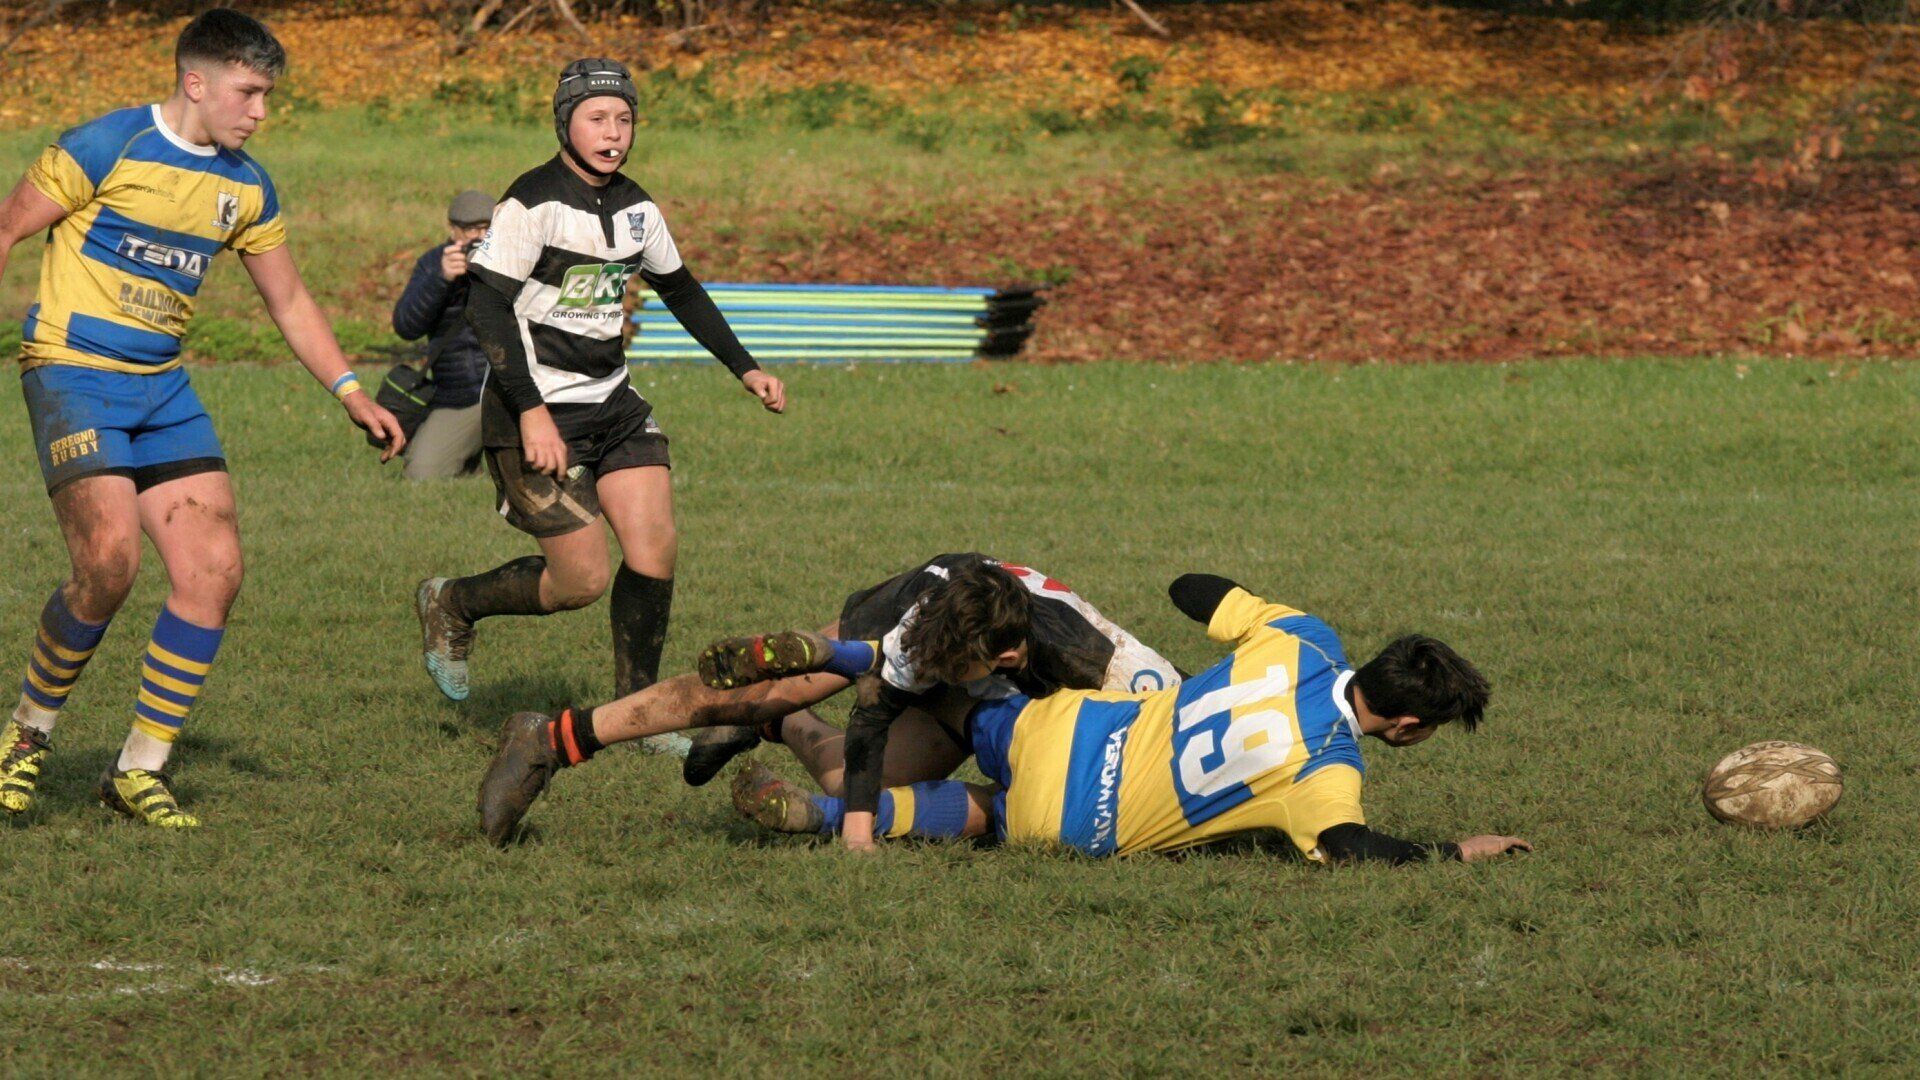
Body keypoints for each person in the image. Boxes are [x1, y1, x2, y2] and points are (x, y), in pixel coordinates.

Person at [0, 9, 405, 827]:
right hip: (74, 375)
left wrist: (350, 389)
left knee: (213, 573)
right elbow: (6, 228)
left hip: (163, 391)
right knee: (108, 568)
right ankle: (25, 738)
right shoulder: (102, 146)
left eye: (265, 96)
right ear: (198, 81)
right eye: (249, 93)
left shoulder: (246, 185)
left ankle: (137, 771)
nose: (259, 112)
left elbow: (287, 297)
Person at [414, 59, 785, 744]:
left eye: (623, 119)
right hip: (535, 413)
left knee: (654, 551)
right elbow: (486, 306)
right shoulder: (531, 202)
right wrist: (530, 411)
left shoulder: (639, 208)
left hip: (614, 406)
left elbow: (683, 291)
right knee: (579, 581)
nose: (613, 132)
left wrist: (746, 368)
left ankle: (638, 716)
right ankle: (454, 602)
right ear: (565, 122)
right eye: (596, 118)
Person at [731, 574, 1533, 865]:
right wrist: (1458, 850)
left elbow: (1194, 590)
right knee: (987, 817)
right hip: (1082, 823)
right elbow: (1350, 847)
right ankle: (824, 815)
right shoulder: (1328, 773)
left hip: (1064, 728)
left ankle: (844, 660)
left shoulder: (1304, 640)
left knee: (971, 699)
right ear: (1403, 726)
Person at [472, 553, 1180, 846]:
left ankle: (787, 723)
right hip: (928, 613)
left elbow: (1167, 741)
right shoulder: (925, 629)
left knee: (847, 779)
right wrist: (857, 837)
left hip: (998, 707)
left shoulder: (1121, 676)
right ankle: (554, 737)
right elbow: (874, 714)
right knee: (750, 693)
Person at [390, 189, 494, 480]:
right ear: (452, 230)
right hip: (460, 394)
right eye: (472, 229)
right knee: (422, 473)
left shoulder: (516, 258)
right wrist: (442, 279)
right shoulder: (433, 263)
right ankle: (469, 457)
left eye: (488, 228)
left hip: (513, 389)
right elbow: (406, 327)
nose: (480, 237)